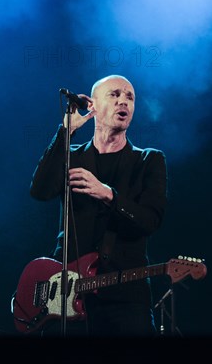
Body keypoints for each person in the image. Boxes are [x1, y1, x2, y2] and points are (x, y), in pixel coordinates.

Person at [29, 75, 168, 337]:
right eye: (114, 95)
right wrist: (66, 132)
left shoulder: (148, 161)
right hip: (67, 293)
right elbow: (39, 191)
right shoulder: (73, 156)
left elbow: (150, 221)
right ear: (92, 105)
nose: (123, 101)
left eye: (129, 97)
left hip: (124, 297)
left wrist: (109, 195)